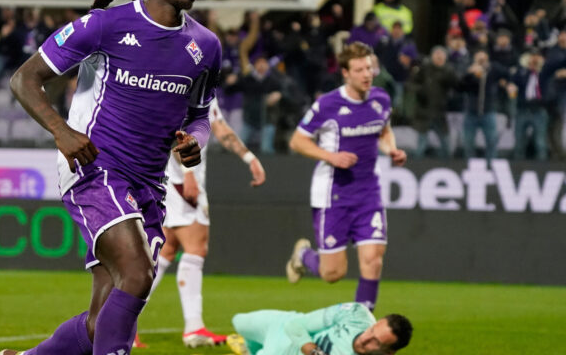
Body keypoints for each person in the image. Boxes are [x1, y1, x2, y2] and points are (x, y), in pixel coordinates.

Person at [0, 0, 220, 355]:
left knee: (105, 317)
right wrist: (61, 131)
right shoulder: (105, 25)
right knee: (137, 273)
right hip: (94, 166)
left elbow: (199, 114)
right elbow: (24, 79)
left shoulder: (206, 47)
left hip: (149, 184)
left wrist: (196, 141)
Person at [285, 42, 407, 312]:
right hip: (333, 195)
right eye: (359, 69)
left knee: (373, 259)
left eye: (369, 67)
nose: (367, 74)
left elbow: (383, 131)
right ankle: (305, 256)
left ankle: (360, 328)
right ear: (345, 73)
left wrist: (392, 150)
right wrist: (331, 157)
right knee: (333, 273)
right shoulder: (328, 104)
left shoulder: (381, 100)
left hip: (368, 193)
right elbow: (297, 141)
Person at [143, 98, 266, 348]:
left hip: (179, 179)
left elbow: (219, 127)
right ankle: (194, 328)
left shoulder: (205, 87)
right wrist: (188, 175)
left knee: (165, 251)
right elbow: (174, 133)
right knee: (196, 247)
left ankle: (120, 321)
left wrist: (249, 157)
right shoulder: (188, 79)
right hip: (179, 180)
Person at [227, 302, 412, 355]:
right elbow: (295, 325)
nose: (365, 339)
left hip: (280, 351)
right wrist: (313, 351)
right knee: (238, 321)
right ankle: (249, 348)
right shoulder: (356, 314)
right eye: (372, 331)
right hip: (285, 325)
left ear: (388, 353)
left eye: (375, 342)